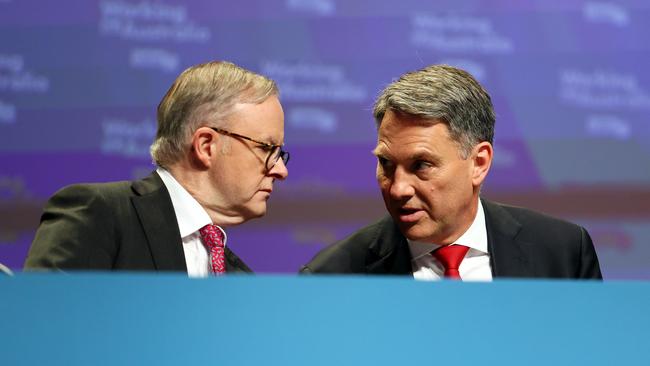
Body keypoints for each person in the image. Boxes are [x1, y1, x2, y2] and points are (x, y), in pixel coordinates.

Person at [302, 65, 601, 280]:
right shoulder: (332, 278)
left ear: (479, 163)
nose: (398, 189)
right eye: (387, 164)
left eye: (421, 165)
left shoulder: (562, 253)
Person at [24, 61, 289, 276]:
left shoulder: (240, 280)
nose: (281, 170)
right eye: (266, 148)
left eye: (279, 153)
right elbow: (39, 325)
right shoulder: (99, 215)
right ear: (207, 146)